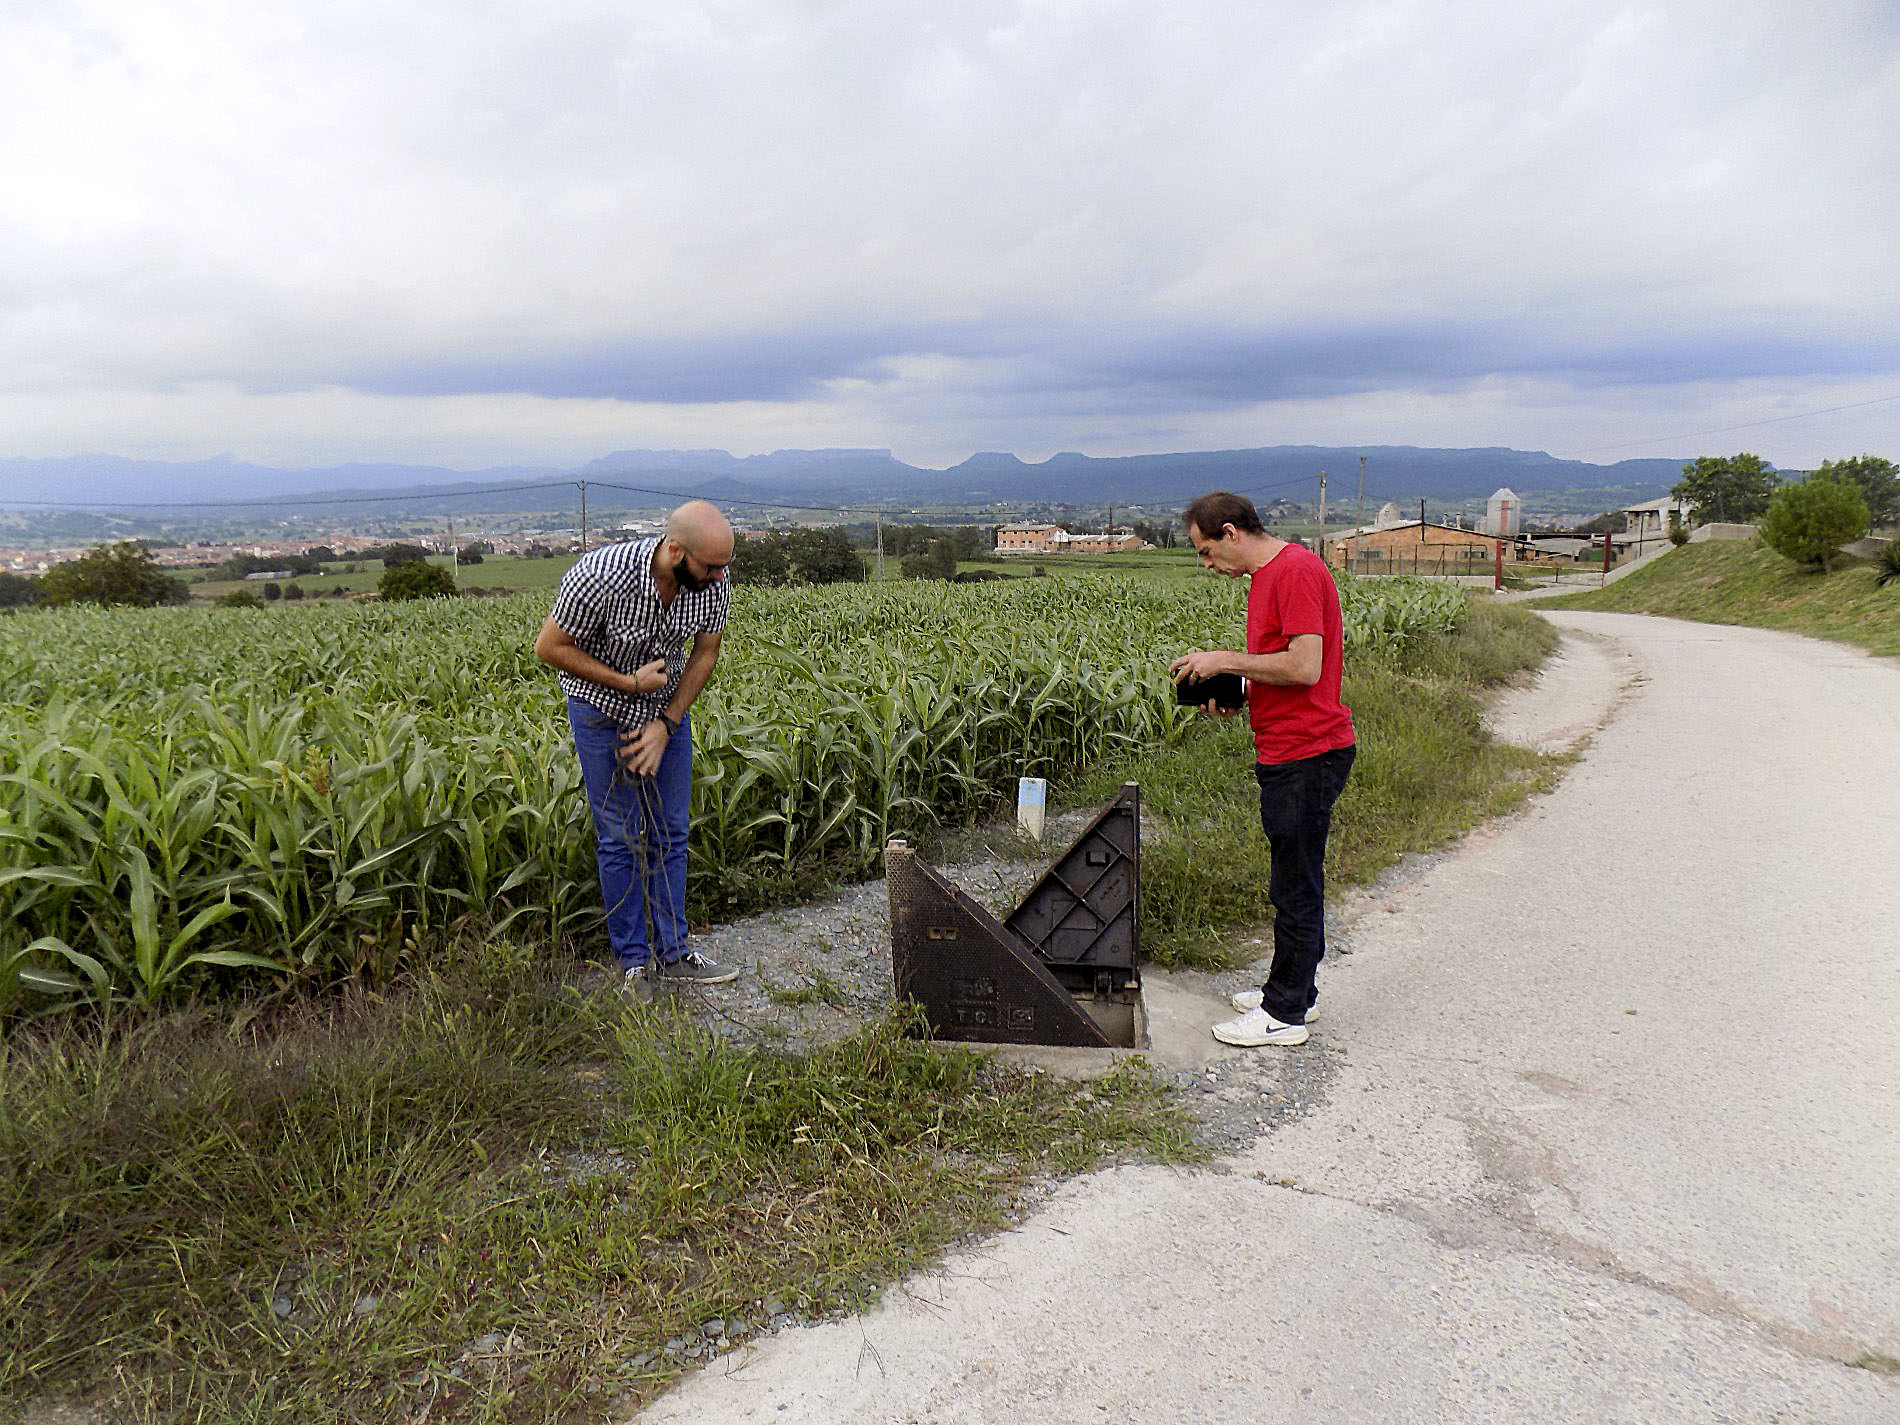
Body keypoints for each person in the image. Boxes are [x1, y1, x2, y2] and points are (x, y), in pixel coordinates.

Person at [1170, 492, 1356, 1047]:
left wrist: (1225, 660)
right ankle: (1297, 991)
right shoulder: (1268, 578)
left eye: (1206, 552)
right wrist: (1241, 690)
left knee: (1294, 886)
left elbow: (1305, 666)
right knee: (1294, 878)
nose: (1207, 565)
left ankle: (1284, 1015)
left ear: (1231, 533)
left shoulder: (1293, 570)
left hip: (1307, 751)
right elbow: (1284, 671)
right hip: (1288, 746)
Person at [533, 499, 739, 985]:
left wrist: (666, 724)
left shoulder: (714, 582)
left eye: (723, 567)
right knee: (621, 838)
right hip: (601, 711)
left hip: (665, 713)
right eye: (710, 567)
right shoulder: (600, 575)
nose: (718, 577)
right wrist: (627, 685)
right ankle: (632, 964)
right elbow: (549, 647)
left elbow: (705, 653)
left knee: (671, 832)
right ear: (674, 550)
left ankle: (675, 955)